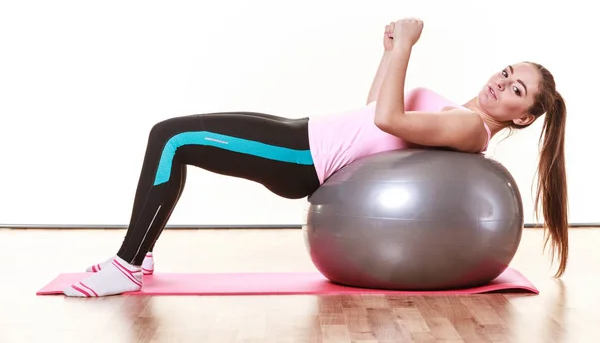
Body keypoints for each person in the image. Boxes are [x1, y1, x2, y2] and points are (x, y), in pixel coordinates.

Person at [63, 18, 568, 298]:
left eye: (515, 89)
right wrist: (388, 52)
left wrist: (406, 50)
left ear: (523, 118)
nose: (501, 82)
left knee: (171, 138)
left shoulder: (467, 126)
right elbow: (375, 112)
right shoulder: (461, 113)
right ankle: (142, 252)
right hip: (302, 134)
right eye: (506, 72)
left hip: (303, 155)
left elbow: (391, 120)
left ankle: (127, 264)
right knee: (178, 136)